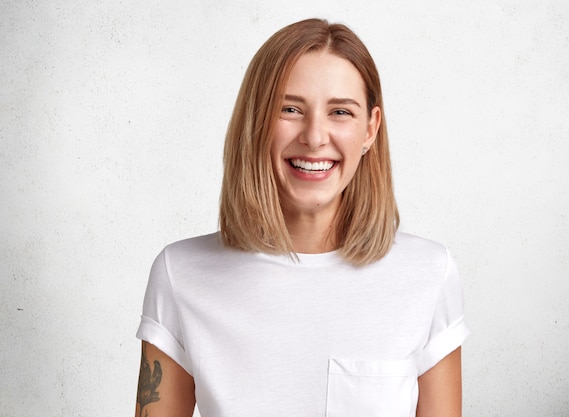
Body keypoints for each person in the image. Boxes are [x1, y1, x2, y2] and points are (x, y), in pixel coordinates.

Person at [135, 18, 469, 417]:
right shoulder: (180, 274)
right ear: (256, 121)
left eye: (340, 112)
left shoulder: (428, 274)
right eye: (290, 109)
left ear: (370, 129)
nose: (314, 137)